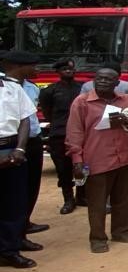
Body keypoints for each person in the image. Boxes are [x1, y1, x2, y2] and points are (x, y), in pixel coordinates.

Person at [66, 67, 128, 252]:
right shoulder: (82, 102)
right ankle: (98, 238)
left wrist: (126, 121)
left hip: (123, 156)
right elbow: (74, 132)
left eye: (108, 79)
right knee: (97, 202)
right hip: (96, 157)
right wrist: (77, 159)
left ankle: (121, 231)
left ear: (117, 83)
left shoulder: (127, 100)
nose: (103, 82)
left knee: (124, 198)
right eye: (99, 78)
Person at [1, 50, 48, 238]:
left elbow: (26, 119)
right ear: (18, 67)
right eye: (32, 66)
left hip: (28, 143)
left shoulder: (29, 88)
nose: (36, 69)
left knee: (26, 190)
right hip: (7, 145)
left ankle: (19, 235)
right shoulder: (6, 85)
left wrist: (20, 148)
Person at [0, 65, 38, 268]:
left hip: (12, 148)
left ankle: (9, 250)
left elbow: (25, 120)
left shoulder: (13, 88)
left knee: (14, 203)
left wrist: (20, 149)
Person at [38, 57, 84, 214]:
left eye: (71, 68)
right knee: (63, 169)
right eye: (65, 69)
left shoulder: (82, 88)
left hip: (82, 133)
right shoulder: (49, 91)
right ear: (58, 72)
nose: (69, 71)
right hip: (60, 134)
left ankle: (82, 196)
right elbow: (47, 112)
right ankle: (68, 199)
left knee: (82, 166)